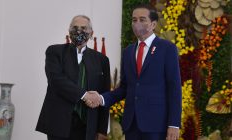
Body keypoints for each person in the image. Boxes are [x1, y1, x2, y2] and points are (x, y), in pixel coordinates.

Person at [87, 4, 182, 140]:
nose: (137, 23)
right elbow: (125, 88)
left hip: (156, 126)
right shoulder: (128, 51)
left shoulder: (167, 49)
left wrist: (174, 124)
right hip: (132, 125)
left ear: (153, 24)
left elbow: (174, 88)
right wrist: (101, 98)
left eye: (142, 20)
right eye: (134, 20)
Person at [36, 15, 110, 140]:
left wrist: (102, 130)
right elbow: (56, 81)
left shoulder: (101, 60)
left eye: (83, 28)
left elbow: (104, 93)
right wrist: (85, 95)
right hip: (59, 123)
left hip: (87, 125)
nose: (79, 31)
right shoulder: (55, 52)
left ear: (91, 33)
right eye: (75, 27)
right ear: (69, 31)